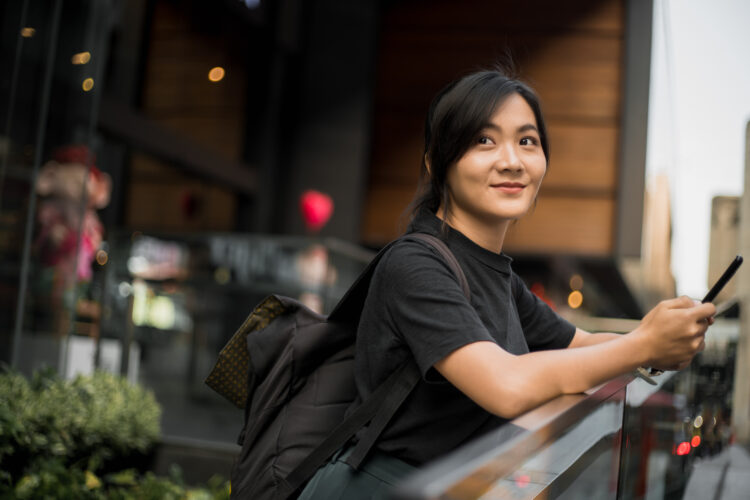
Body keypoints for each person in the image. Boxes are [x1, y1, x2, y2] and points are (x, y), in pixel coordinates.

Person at [298, 69, 715, 499]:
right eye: (484, 140)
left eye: (527, 141)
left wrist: (661, 337)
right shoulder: (414, 264)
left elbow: (581, 344)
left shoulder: (500, 278)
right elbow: (506, 386)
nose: (512, 161)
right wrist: (644, 346)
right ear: (436, 161)